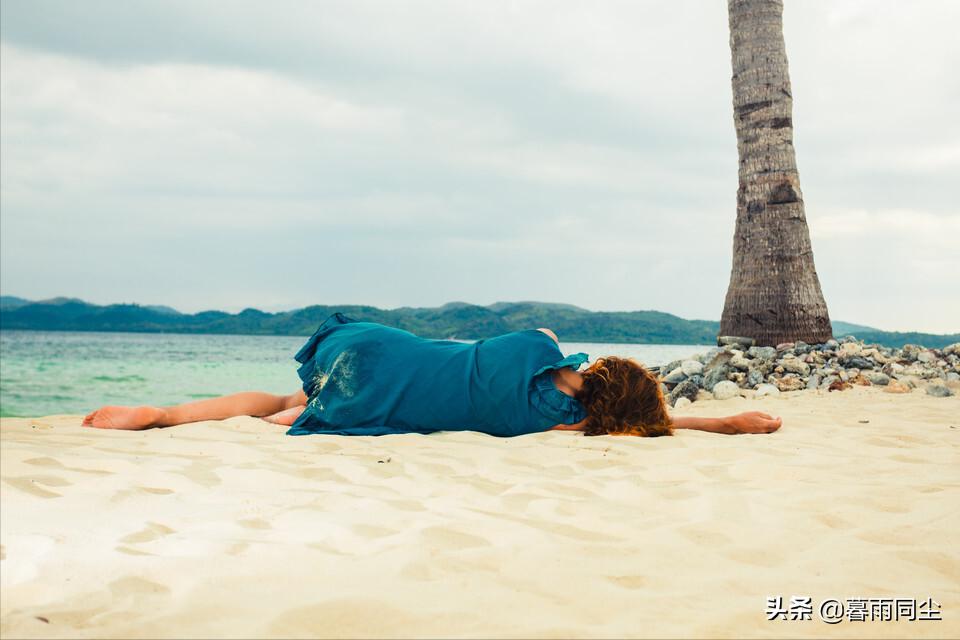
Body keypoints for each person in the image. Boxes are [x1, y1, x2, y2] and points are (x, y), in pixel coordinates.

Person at [83, 313, 782, 436]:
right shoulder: (553, 423)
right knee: (301, 407)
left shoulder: (538, 342)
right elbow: (645, 426)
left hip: (376, 345)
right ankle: (295, 416)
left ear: (594, 367)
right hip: (378, 395)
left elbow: (540, 348)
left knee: (293, 390)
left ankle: (165, 415)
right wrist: (725, 421)